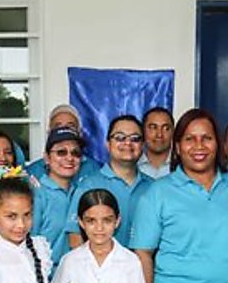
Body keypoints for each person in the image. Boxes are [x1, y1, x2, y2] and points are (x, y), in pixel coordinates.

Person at [130, 108, 228, 283]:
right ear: (178, 147)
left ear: (218, 144)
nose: (199, 145)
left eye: (207, 138)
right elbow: (143, 253)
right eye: (190, 139)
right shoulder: (157, 192)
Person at [66, 115, 154, 248]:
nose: (127, 143)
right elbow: (75, 236)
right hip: (100, 267)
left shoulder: (154, 187)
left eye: (135, 138)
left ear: (143, 145)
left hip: (144, 267)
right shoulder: (88, 185)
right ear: (108, 144)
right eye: (119, 137)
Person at [53, 189, 144, 283]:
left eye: (107, 220)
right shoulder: (70, 261)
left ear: (117, 221)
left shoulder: (131, 261)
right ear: (81, 222)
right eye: (91, 221)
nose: (99, 228)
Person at [31, 126, 84, 268]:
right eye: (61, 152)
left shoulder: (83, 192)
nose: (69, 158)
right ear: (47, 158)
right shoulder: (35, 195)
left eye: (76, 153)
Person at [25, 104, 100, 183]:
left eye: (71, 126)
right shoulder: (32, 171)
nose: (64, 130)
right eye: (61, 152)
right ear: (49, 133)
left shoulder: (94, 169)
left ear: (80, 132)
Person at [138, 107, 174, 179]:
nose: (159, 135)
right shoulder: (132, 167)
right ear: (143, 131)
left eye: (166, 128)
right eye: (153, 127)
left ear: (173, 132)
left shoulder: (183, 168)